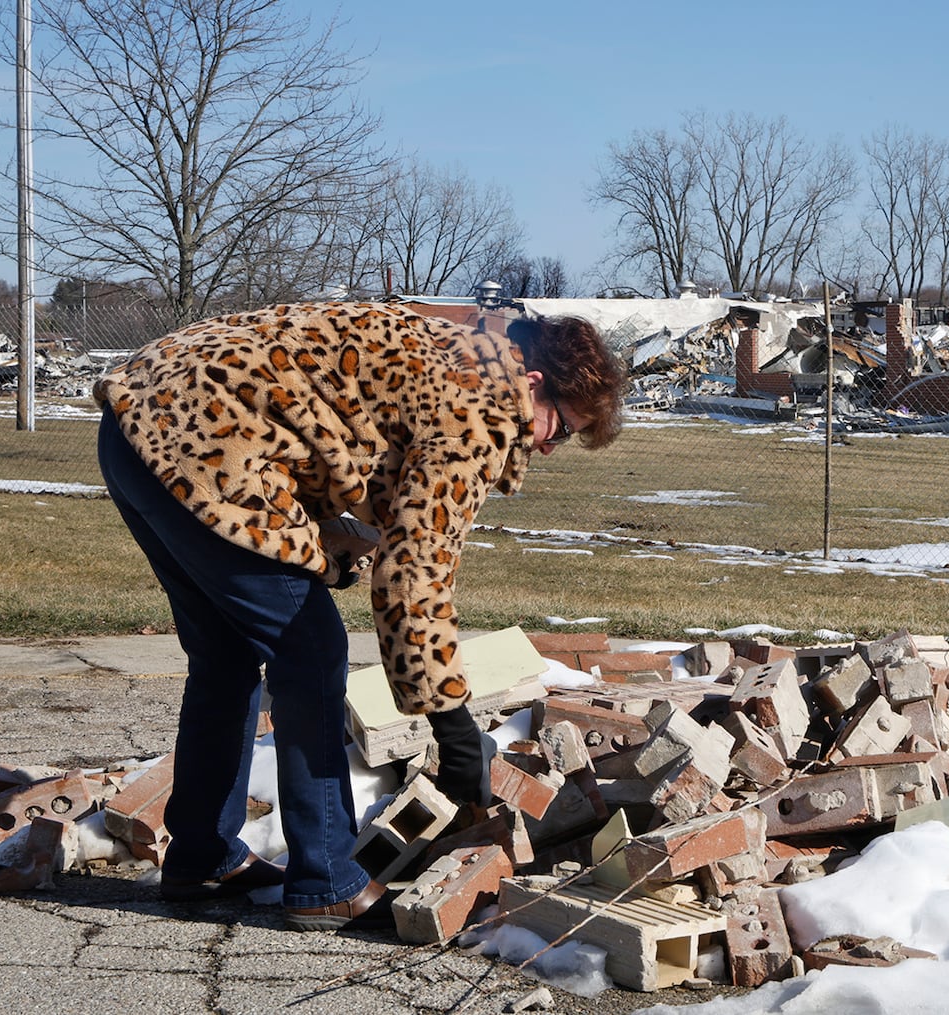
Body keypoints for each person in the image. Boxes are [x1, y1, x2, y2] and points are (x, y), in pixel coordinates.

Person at [93, 300, 624, 931]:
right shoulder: (481, 407)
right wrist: (454, 730)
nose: (551, 446)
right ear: (533, 386)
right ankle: (326, 880)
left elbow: (344, 444)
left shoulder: (455, 347)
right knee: (311, 653)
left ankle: (202, 857)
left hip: (137, 427)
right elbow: (414, 576)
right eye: (558, 428)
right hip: (206, 450)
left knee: (227, 655)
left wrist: (334, 545)